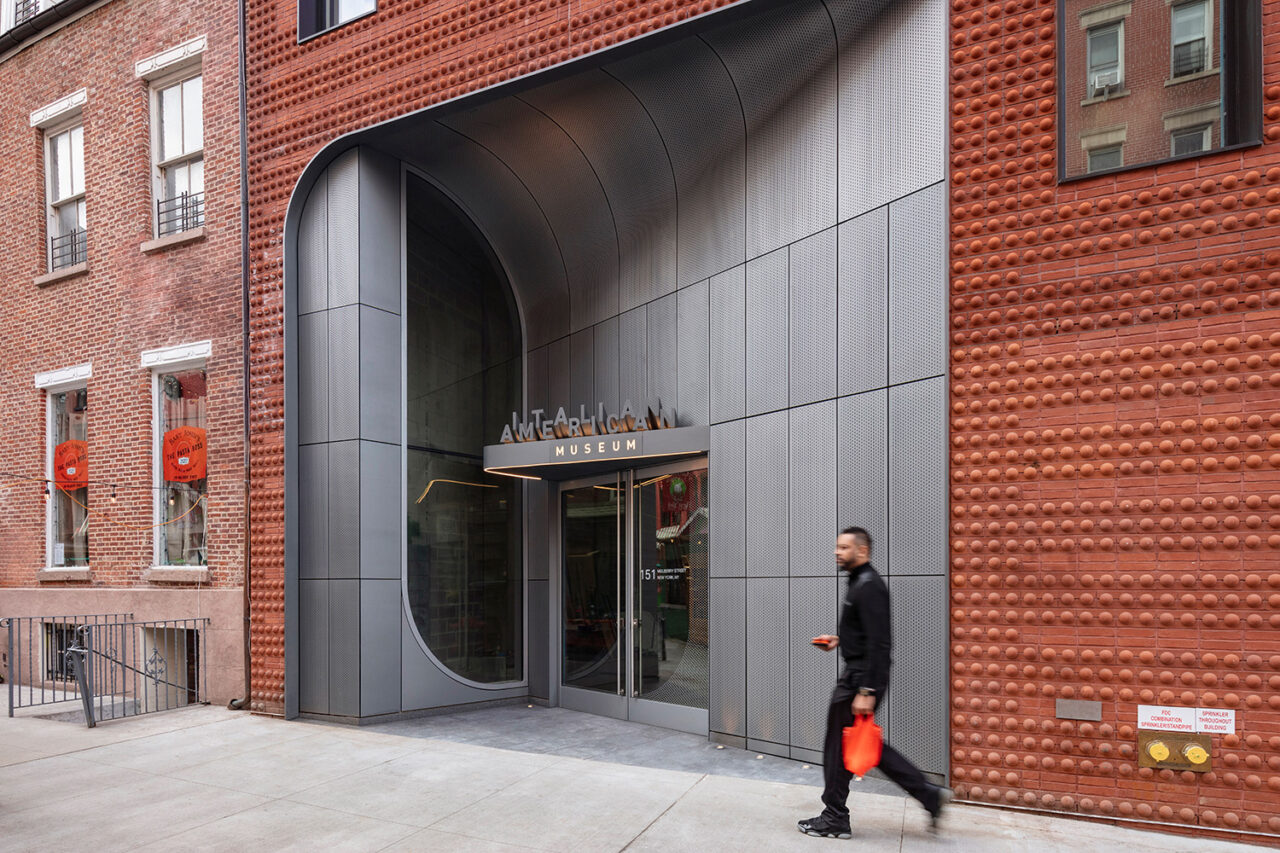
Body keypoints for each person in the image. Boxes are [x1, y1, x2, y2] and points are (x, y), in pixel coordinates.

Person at [797, 526, 950, 839]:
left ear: (862, 551)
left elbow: (881, 643)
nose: (837, 553)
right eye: (837, 547)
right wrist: (840, 640)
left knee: (838, 746)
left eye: (843, 548)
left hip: (860, 679)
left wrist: (866, 690)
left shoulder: (870, 585)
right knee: (865, 746)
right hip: (858, 674)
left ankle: (835, 816)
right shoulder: (858, 581)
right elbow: (866, 634)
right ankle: (928, 795)